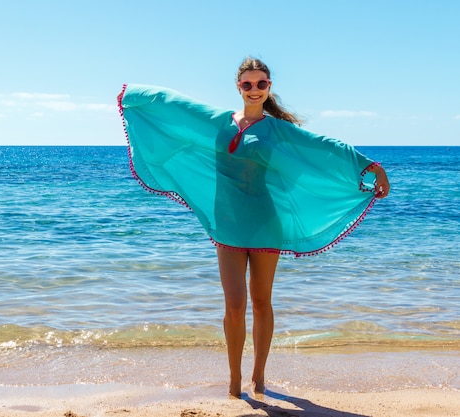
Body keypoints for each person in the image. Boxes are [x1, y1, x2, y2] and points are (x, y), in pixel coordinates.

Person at [117, 57, 390, 398]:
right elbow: (177, 106)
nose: (255, 90)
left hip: (265, 221)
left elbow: (323, 146)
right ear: (238, 87)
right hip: (227, 222)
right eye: (248, 84)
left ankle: (258, 378)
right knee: (234, 305)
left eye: (261, 84)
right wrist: (135, 96)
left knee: (261, 303)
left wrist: (371, 166)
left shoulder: (277, 129)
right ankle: (234, 381)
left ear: (269, 87)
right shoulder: (218, 121)